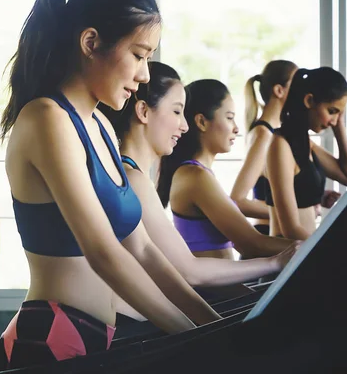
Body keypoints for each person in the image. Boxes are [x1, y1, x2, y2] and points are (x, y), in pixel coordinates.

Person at [0, 0, 220, 371]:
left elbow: (142, 248)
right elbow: (103, 253)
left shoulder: (101, 126)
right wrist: (198, 339)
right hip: (49, 343)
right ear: (91, 43)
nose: (145, 75)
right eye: (139, 54)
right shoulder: (47, 119)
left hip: (96, 340)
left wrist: (215, 327)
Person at [101, 62, 300, 302]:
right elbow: (189, 272)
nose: (184, 126)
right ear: (143, 111)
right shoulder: (141, 178)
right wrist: (277, 261)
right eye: (176, 112)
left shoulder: (138, 177)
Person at [157, 79, 297, 261]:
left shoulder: (200, 173)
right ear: (201, 122)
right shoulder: (194, 176)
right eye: (229, 118)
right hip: (209, 290)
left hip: (227, 287)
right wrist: (314, 245)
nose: (236, 128)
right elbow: (252, 244)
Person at [265, 67, 347, 240]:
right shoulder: (281, 145)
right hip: (289, 255)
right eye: (332, 111)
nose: (334, 121)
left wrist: (340, 128)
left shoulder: (306, 144)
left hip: (303, 248)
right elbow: (290, 228)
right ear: (309, 101)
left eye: (339, 114)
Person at [229, 60, 298, 235]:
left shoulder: (273, 132)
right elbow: (238, 199)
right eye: (297, 84)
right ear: (279, 90)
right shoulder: (264, 135)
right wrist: (289, 213)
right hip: (268, 235)